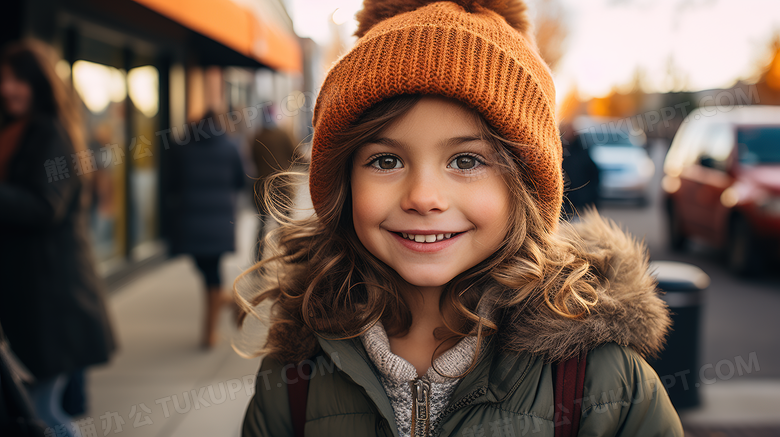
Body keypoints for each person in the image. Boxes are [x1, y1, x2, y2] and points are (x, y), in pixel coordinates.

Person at [239, 1, 683, 436]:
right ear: (343, 183)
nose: (423, 198)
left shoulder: (601, 382)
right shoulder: (296, 373)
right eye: (387, 161)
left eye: (467, 160)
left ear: (524, 188)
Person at [0, 40, 116, 436]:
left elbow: (44, 207)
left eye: (18, 80)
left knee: (43, 415)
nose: (7, 88)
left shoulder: (51, 134)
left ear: (38, 84)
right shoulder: (20, 131)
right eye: (4, 79)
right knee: (40, 412)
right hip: (37, 301)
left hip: (54, 302)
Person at [167, 110, 246, 349]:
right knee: (211, 270)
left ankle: (209, 331)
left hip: (192, 219)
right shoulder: (230, 147)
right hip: (220, 220)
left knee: (207, 270)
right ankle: (225, 301)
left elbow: (172, 183)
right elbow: (241, 180)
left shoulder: (184, 149)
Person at [560, 124, 600, 220]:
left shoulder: (582, 151)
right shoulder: (558, 150)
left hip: (579, 204)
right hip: (562, 204)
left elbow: (594, 174)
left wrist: (587, 197)